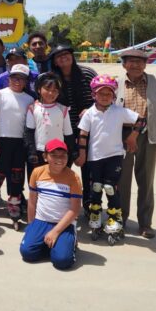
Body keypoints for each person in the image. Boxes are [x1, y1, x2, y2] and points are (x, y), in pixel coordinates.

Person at [116, 48, 156, 239]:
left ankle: (145, 223)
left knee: (146, 181)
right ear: (124, 64)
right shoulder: (116, 84)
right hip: (121, 136)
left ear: (146, 64)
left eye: (140, 61)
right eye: (131, 61)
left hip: (149, 136)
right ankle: (120, 220)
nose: (135, 65)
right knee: (121, 181)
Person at [77, 75, 141, 240]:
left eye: (108, 94)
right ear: (94, 95)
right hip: (94, 157)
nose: (105, 97)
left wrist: (133, 136)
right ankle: (95, 215)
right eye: (101, 93)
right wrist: (82, 155)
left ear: (114, 96)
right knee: (96, 187)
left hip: (114, 156)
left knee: (110, 188)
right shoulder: (89, 113)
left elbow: (141, 120)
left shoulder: (119, 111)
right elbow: (83, 135)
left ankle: (114, 218)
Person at [20, 139, 82, 270]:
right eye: (54, 155)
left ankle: (68, 244)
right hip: (41, 221)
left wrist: (55, 231)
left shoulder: (73, 178)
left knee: (62, 261)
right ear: (45, 156)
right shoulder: (37, 173)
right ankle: (54, 247)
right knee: (27, 253)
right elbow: (32, 201)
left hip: (63, 224)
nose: (59, 159)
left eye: (63, 155)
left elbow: (74, 209)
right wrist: (31, 225)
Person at [0, 64, 34, 224]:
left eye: (21, 79)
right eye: (14, 78)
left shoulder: (29, 99)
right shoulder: (0, 95)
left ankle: (14, 203)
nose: (17, 82)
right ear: (9, 79)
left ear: (26, 81)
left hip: (20, 142)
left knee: (17, 174)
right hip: (3, 140)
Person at [50, 44, 96, 206]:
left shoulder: (87, 74)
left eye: (66, 53)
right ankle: (59, 203)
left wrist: (90, 110)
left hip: (88, 129)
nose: (63, 57)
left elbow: (102, 96)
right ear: (54, 61)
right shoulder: (53, 78)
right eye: (58, 55)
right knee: (61, 166)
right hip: (62, 132)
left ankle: (91, 205)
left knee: (89, 169)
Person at [25, 72, 74, 176]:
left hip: (58, 152)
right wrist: (32, 152)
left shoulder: (63, 109)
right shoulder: (32, 108)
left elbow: (68, 133)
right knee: (37, 181)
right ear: (38, 89)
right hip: (39, 151)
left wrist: (72, 151)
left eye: (55, 90)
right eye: (47, 89)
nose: (51, 93)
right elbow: (29, 132)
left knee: (57, 181)